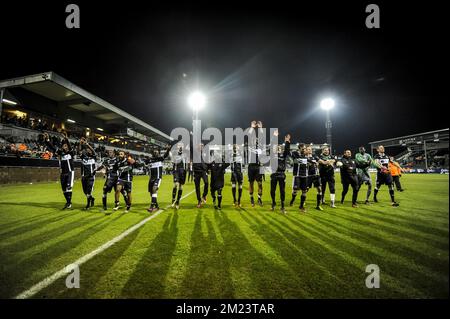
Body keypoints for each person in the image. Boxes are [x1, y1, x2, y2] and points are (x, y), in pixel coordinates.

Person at [44, 132, 75, 209]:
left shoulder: (71, 153)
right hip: (63, 173)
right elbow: (51, 147)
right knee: (64, 190)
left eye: (65, 146)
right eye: (63, 146)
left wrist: (66, 139)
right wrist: (47, 139)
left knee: (68, 187)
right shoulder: (60, 153)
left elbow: (70, 147)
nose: (64, 147)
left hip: (70, 172)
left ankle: (69, 203)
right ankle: (68, 202)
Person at [144, 146, 172, 212]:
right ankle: (156, 206)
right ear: (152, 152)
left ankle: (151, 206)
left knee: (154, 189)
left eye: (157, 150)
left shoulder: (159, 158)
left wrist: (168, 150)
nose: (156, 151)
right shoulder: (149, 159)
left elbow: (165, 155)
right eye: (154, 150)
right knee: (151, 193)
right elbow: (144, 163)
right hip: (151, 179)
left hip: (158, 178)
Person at [269, 131, 291, 213]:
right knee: (272, 190)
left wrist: (287, 142)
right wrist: (274, 137)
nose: (278, 148)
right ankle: (273, 203)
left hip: (282, 174)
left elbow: (287, 150)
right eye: (276, 148)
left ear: (281, 149)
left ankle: (282, 206)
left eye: (279, 148)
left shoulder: (283, 155)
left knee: (282, 191)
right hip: (274, 174)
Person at [247, 120, 265, 207]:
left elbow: (262, 137)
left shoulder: (261, 146)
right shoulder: (250, 145)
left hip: (259, 166)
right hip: (251, 166)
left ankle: (259, 198)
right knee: (251, 183)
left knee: (260, 184)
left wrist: (261, 128)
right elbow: (249, 135)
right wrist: (252, 127)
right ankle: (251, 198)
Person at [78, 137, 97, 210]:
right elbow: (79, 151)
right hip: (84, 177)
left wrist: (87, 144)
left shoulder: (94, 157)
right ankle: (92, 199)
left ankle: (88, 205)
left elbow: (93, 151)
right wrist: (80, 143)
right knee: (85, 192)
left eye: (90, 150)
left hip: (91, 177)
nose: (88, 151)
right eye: (87, 149)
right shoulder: (83, 157)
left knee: (88, 192)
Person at [289, 144, 309, 213]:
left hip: (305, 175)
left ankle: (301, 206)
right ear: (299, 148)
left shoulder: (306, 155)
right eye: (303, 149)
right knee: (295, 190)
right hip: (297, 175)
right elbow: (295, 161)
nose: (304, 150)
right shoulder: (295, 153)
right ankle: (292, 200)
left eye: (305, 149)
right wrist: (306, 161)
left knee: (304, 191)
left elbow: (309, 163)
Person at [171, 142, 189, 209]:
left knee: (181, 187)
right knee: (176, 184)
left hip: (183, 171)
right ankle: (173, 199)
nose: (180, 146)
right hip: (176, 170)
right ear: (177, 146)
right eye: (179, 145)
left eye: (181, 145)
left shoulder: (186, 153)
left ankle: (177, 202)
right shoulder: (174, 152)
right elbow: (173, 161)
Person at [305, 145, 323, 211]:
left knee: (319, 190)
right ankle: (303, 201)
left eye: (310, 149)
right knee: (306, 190)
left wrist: (328, 162)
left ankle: (318, 205)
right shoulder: (304, 157)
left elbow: (321, 161)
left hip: (316, 175)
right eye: (308, 149)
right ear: (306, 150)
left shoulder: (315, 156)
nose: (310, 150)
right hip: (308, 176)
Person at [192, 143, 209, 208]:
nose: (201, 147)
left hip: (203, 171)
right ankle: (199, 201)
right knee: (197, 187)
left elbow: (207, 161)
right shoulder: (195, 153)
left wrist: (206, 168)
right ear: (197, 147)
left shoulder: (205, 153)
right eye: (200, 146)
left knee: (206, 182)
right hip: (196, 172)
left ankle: (204, 195)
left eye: (202, 146)